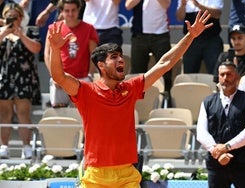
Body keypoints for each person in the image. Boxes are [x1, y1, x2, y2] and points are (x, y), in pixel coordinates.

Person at [47, 10, 212, 187]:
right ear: (101, 65)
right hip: (96, 175)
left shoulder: (130, 88)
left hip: (127, 174)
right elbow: (59, 77)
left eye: (121, 56)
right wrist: (55, 49)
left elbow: (165, 63)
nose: (121, 60)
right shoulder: (86, 91)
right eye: (114, 57)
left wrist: (190, 36)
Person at [197, 61, 245, 188]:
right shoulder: (207, 102)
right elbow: (201, 132)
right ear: (218, 77)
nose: (225, 78)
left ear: (237, 77)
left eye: (229, 74)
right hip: (217, 164)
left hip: (244, 165)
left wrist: (226, 147)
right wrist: (217, 151)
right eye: (222, 75)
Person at [0, 2, 41, 158]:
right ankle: (4, 146)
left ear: (21, 17)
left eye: (15, 17)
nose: (12, 20)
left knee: (24, 113)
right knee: (5, 114)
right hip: (5, 78)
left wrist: (20, 35)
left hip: (24, 79)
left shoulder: (30, 31)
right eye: (8, 17)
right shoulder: (1, 33)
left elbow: (36, 48)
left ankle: (26, 146)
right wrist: (5, 32)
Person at [44, 0, 98, 108]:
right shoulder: (53, 28)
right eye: (67, 10)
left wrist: (90, 76)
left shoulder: (89, 28)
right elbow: (47, 54)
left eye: (73, 10)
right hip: (60, 80)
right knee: (60, 118)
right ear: (61, 11)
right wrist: (55, 77)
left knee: (81, 116)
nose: (70, 14)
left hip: (82, 80)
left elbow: (94, 55)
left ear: (79, 10)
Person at [125, 0, 173, 106]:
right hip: (139, 35)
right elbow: (128, 5)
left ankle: (167, 103)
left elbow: (166, 4)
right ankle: (136, 104)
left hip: (161, 35)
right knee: (137, 72)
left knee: (165, 71)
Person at [176, 0, 224, 74]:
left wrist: (198, 5)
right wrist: (182, 5)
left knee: (216, 73)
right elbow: (179, 17)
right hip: (191, 41)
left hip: (211, 40)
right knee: (189, 74)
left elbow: (217, 14)